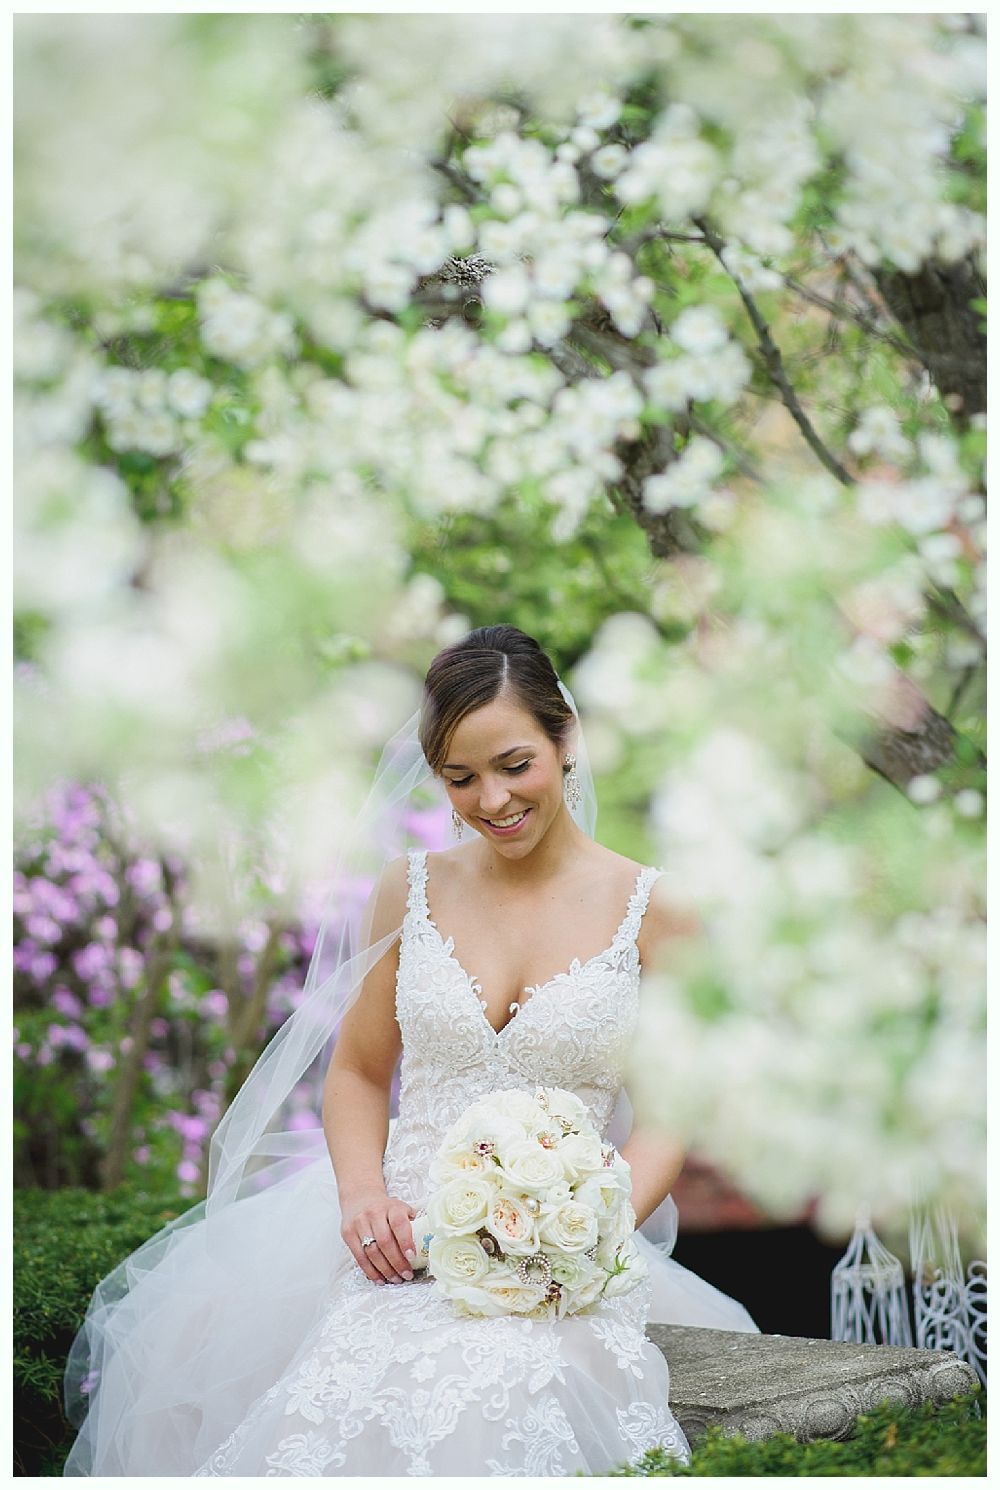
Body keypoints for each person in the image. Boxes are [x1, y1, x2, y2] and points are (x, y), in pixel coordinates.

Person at [65, 624, 757, 1477]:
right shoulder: (412, 888)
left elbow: (671, 1111)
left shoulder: (655, 909)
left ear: (566, 741)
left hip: (570, 1247)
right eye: (460, 779)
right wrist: (362, 1200)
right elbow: (357, 1071)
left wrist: (590, 1239)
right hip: (395, 1235)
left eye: (514, 765)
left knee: (509, 1391)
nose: (492, 801)